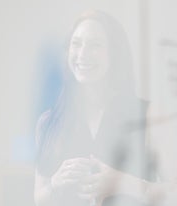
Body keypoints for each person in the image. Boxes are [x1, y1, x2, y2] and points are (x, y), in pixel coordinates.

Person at [34, 10, 152, 206]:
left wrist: (123, 183)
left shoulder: (146, 116)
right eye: (76, 44)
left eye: (95, 45)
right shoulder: (48, 122)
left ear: (115, 53)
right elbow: (38, 199)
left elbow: (174, 190)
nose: (82, 54)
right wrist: (55, 184)